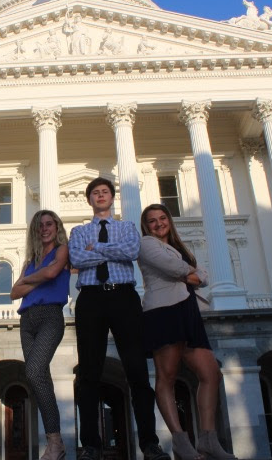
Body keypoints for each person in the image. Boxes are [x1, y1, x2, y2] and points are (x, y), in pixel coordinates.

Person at [69, 177, 169, 460]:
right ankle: (91, 445)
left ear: (112, 198)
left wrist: (95, 250)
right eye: (95, 193)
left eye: (105, 192)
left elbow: (131, 251)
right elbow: (76, 259)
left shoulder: (126, 227)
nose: (100, 196)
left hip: (124, 297)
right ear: (89, 199)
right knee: (89, 372)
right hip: (90, 299)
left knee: (137, 370)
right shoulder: (78, 230)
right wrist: (105, 252)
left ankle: (149, 443)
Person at [138, 204, 237, 460]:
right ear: (146, 226)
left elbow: (199, 275)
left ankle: (208, 440)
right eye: (152, 221)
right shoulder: (147, 244)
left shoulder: (179, 248)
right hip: (164, 311)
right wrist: (194, 273)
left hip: (189, 310)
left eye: (162, 218)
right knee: (167, 376)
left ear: (169, 220)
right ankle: (181, 441)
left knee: (211, 373)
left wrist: (193, 274)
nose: (158, 223)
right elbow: (180, 271)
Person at [11, 210, 70, 460]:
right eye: (40, 225)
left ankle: (55, 443)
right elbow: (14, 292)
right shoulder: (30, 260)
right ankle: (55, 443)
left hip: (50, 317)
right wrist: (39, 276)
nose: (45, 228)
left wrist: (31, 281)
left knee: (33, 371)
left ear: (56, 227)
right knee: (40, 379)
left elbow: (52, 273)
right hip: (27, 321)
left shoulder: (62, 251)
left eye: (49, 224)